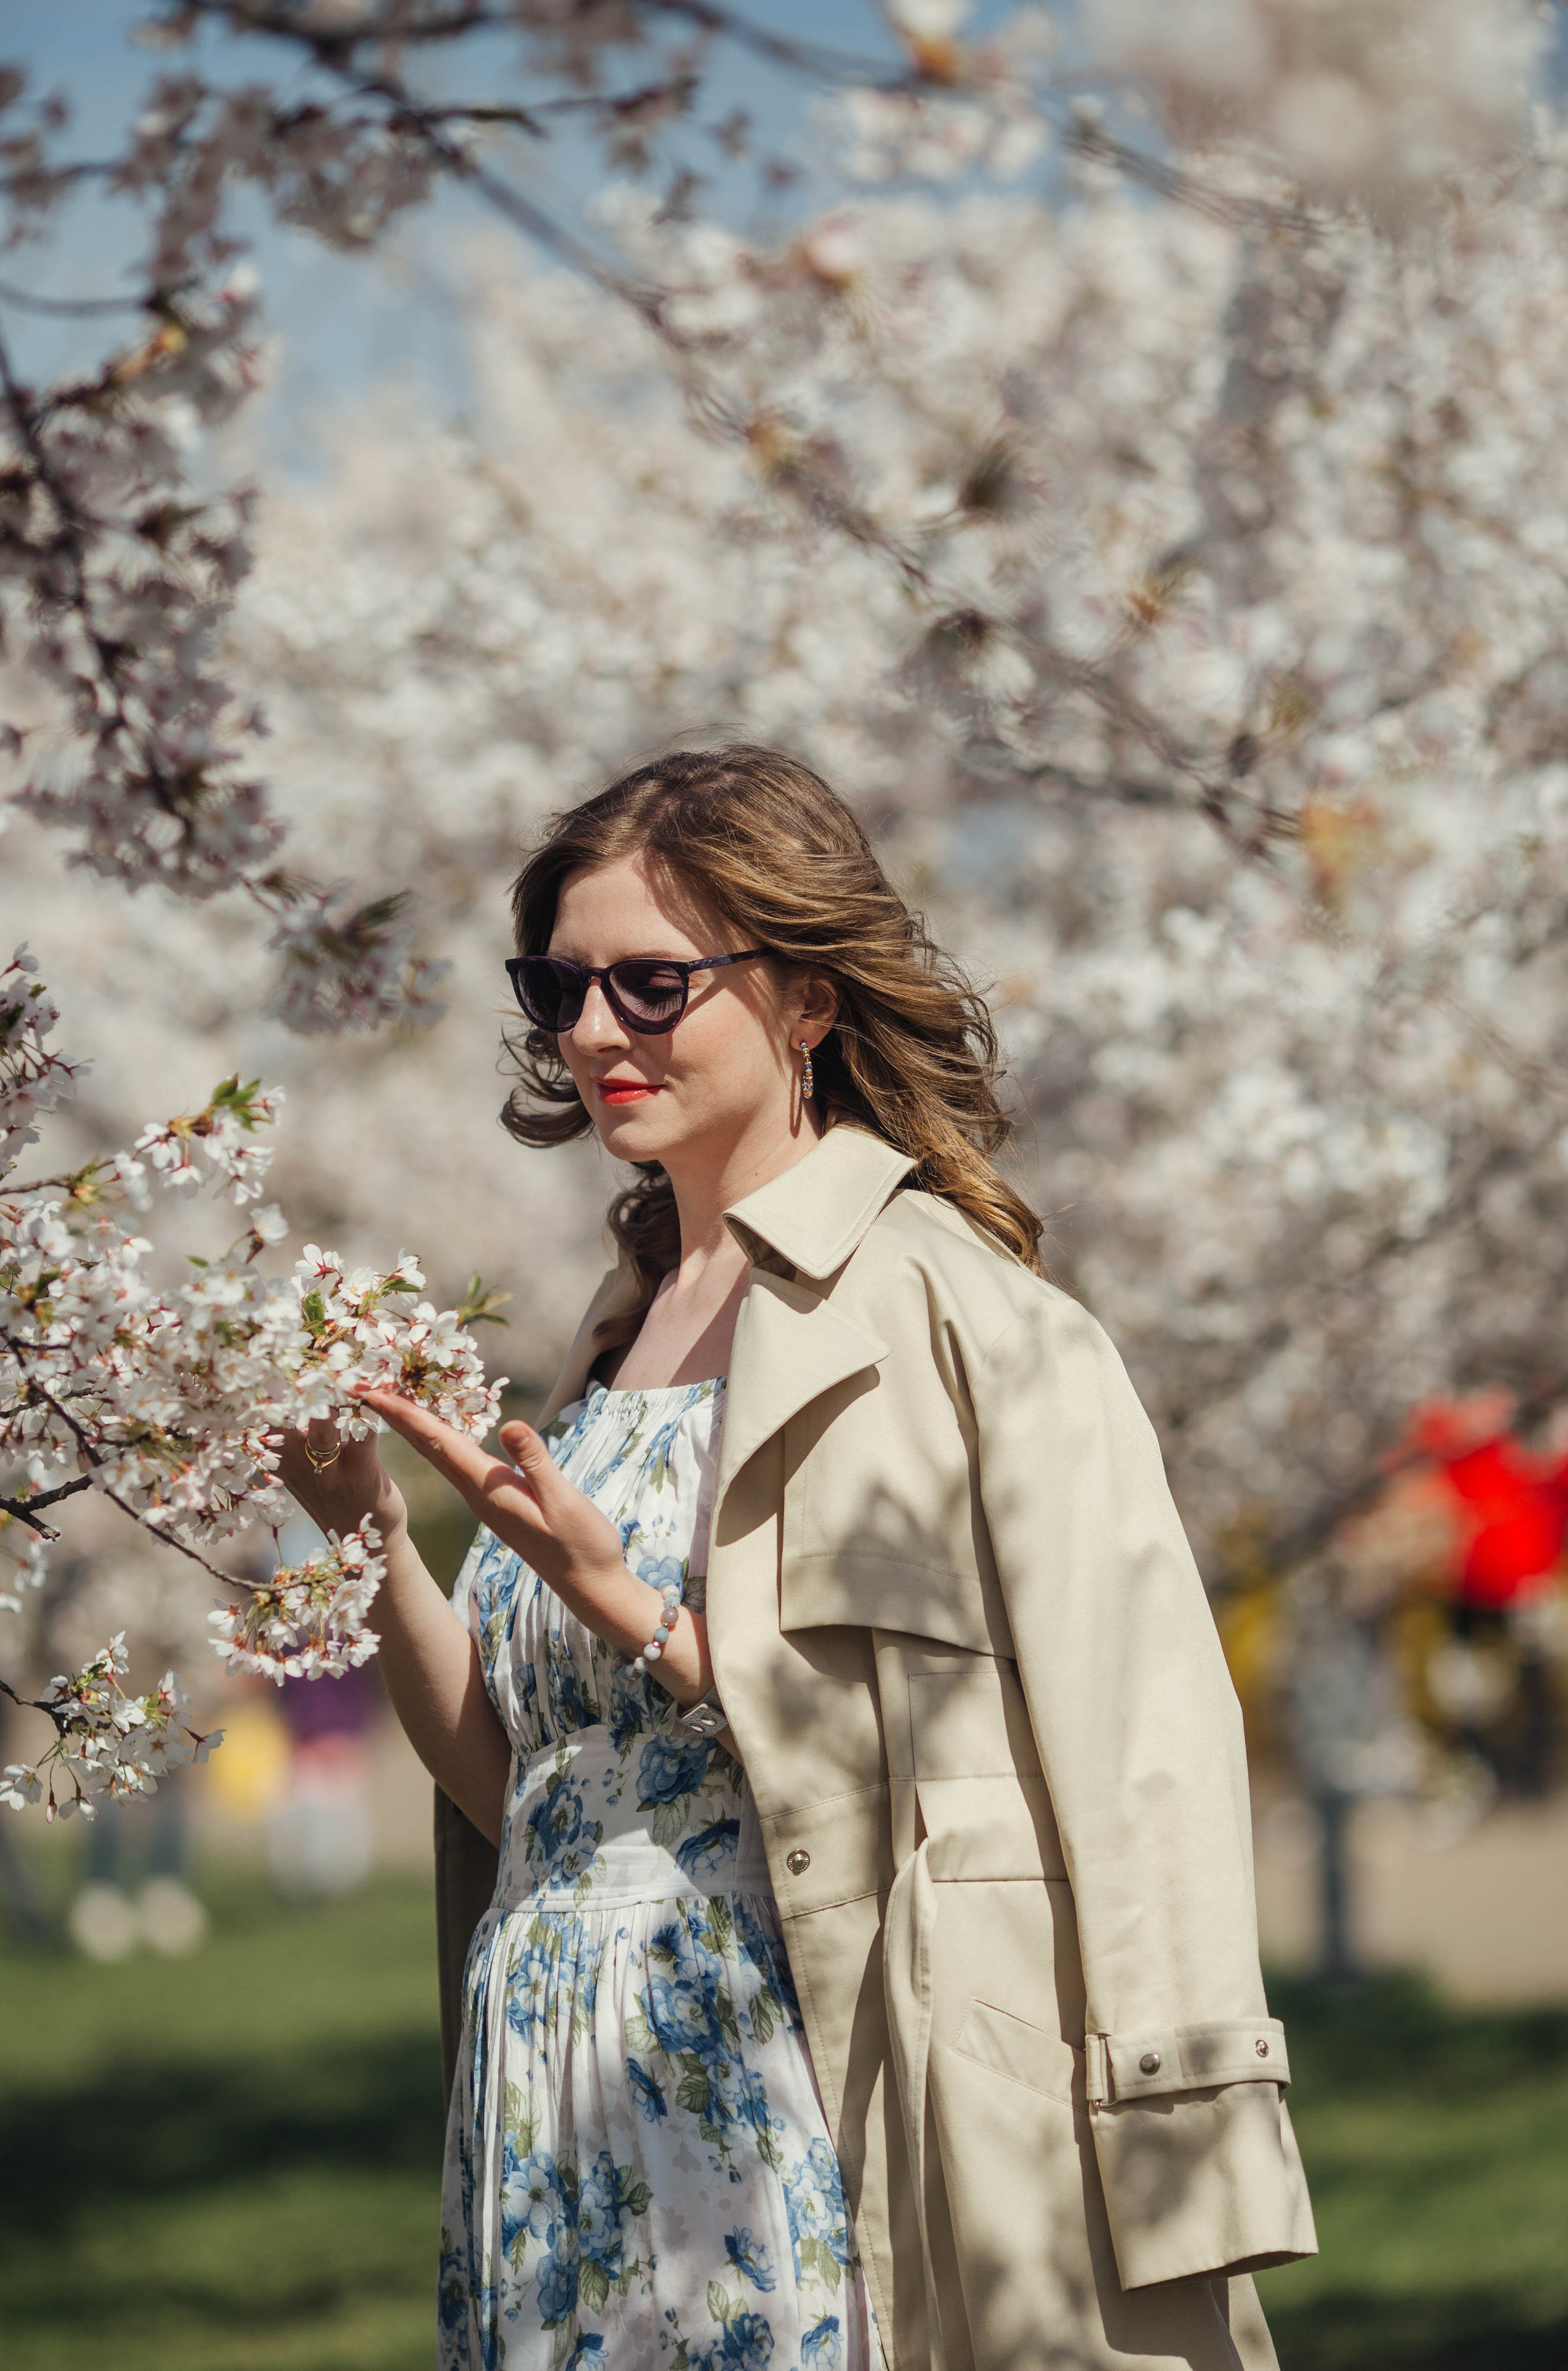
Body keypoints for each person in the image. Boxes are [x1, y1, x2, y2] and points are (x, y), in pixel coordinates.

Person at [283, 746, 1317, 2371]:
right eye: (560, 986)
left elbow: (1145, 1752)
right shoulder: (614, 1335)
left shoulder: (966, 1318)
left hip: (795, 2081)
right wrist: (367, 1534)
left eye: (652, 983)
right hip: (552, 2093)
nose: (595, 1031)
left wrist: (1188, 2132)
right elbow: (524, 1787)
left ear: (810, 998)